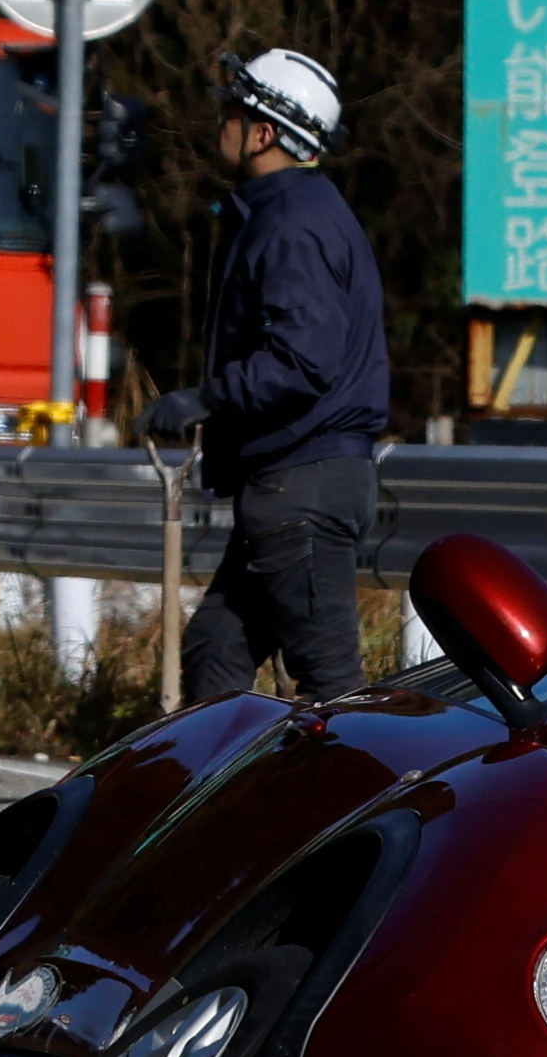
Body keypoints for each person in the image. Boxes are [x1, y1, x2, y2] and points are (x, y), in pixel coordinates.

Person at [141, 48, 390, 705]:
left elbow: (302, 361)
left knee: (332, 686)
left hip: (302, 488)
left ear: (263, 132)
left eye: (232, 110)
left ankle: (360, 802)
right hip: (288, 484)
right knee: (216, 650)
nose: (218, 122)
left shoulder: (291, 225)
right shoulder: (288, 211)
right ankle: (214, 799)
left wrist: (205, 398)